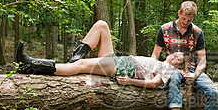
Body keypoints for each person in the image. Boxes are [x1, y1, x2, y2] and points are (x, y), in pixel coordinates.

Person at [16, 20, 184, 89]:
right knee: (102, 25)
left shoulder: (168, 70)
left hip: (124, 67)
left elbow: (153, 83)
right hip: (121, 60)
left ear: (177, 66)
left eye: (178, 59)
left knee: (81, 66)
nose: (174, 56)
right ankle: (73, 60)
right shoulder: (158, 62)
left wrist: (129, 81)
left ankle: (32, 65)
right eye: (175, 54)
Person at [152, 1, 218, 110]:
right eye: (183, 19)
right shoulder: (164, 30)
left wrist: (195, 74)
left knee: (214, 91)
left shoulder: (197, 32)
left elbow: (203, 60)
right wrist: (161, 67)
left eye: (189, 21)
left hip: (192, 70)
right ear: (178, 13)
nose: (185, 23)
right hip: (172, 70)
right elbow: (154, 56)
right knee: (174, 77)